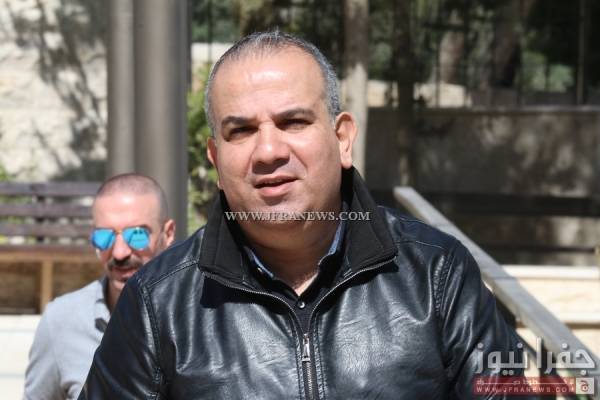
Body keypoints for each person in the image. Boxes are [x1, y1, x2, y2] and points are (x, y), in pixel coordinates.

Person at [80, 32, 529, 399]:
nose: (268, 151)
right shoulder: (156, 305)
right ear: (216, 160)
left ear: (343, 139)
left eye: (293, 122)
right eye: (241, 130)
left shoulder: (438, 276)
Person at [23, 173, 175, 400]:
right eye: (105, 237)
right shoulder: (62, 321)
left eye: (137, 235)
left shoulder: (197, 316)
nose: (119, 253)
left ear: (168, 234)